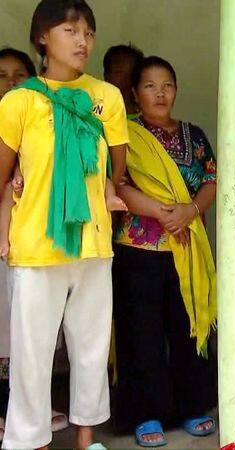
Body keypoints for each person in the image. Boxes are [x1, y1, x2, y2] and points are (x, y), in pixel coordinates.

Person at [0, 1, 128, 448]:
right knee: (31, 355)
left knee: (91, 349)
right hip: (36, 243)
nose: (82, 41)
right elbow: (3, 177)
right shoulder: (19, 101)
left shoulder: (106, 97)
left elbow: (117, 170)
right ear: (42, 37)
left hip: (93, 244)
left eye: (88, 33)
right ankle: (31, 441)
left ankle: (85, 438)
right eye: (71, 30)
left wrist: (112, 190)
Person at [111, 56, 218, 447]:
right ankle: (145, 413)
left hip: (185, 247)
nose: (160, 93)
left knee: (189, 327)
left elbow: (211, 179)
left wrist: (189, 211)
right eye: (151, 85)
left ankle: (192, 406)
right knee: (142, 334)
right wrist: (160, 212)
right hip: (138, 250)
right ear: (136, 94)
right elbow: (116, 184)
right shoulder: (125, 134)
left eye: (167, 85)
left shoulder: (195, 134)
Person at [0, 45, 71, 442]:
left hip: (30, 238)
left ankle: (28, 411)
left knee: (26, 332)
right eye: (2, 75)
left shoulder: (40, 120)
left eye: (18, 75)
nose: (11, 82)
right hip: (8, 233)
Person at [103, 44, 144, 116]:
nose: (126, 78)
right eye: (118, 72)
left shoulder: (149, 120)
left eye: (131, 72)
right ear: (106, 76)